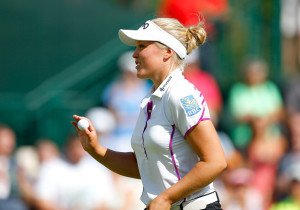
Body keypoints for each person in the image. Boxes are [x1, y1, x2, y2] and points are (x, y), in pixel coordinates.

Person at [72, 17, 227, 210]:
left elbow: (215, 162)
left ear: (167, 52)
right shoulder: (152, 98)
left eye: (142, 46)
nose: (134, 55)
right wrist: (96, 149)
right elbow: (146, 167)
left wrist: (165, 199)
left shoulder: (180, 93)